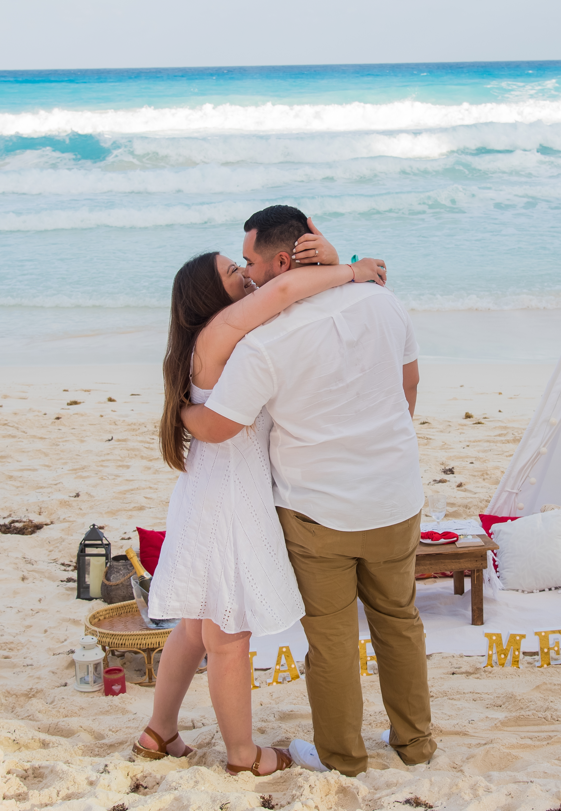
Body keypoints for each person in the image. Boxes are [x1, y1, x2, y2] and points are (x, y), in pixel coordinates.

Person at [182, 204, 436, 776]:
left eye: (248, 261)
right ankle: (415, 744)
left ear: (279, 260)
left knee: (332, 642)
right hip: (395, 496)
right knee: (399, 621)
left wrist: (181, 415)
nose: (246, 274)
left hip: (317, 511)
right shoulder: (382, 299)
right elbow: (409, 385)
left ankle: (345, 760)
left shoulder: (265, 342)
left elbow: (222, 425)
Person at [132, 224, 387, 777]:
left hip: (209, 491)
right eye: (231, 271)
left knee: (196, 626)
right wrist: (356, 271)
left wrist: (330, 256)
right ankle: (243, 757)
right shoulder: (222, 329)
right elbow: (280, 291)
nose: (243, 273)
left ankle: (160, 730)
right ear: (210, 295)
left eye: (242, 264)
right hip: (227, 499)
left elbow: (289, 283)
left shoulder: (213, 338)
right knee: (228, 635)